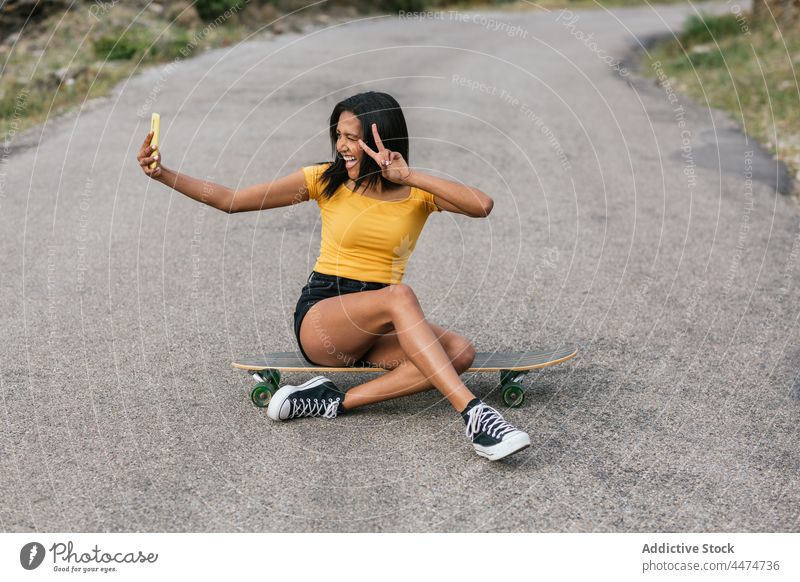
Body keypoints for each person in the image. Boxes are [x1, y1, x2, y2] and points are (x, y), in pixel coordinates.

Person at [137, 91, 530, 461]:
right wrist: (162, 173)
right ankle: (476, 417)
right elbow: (232, 201)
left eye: (352, 138)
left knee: (460, 352)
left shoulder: (417, 194)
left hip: (377, 323)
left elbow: (483, 205)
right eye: (338, 135)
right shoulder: (325, 180)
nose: (341, 146)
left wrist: (409, 177)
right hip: (324, 316)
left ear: (382, 140)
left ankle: (334, 401)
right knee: (399, 295)